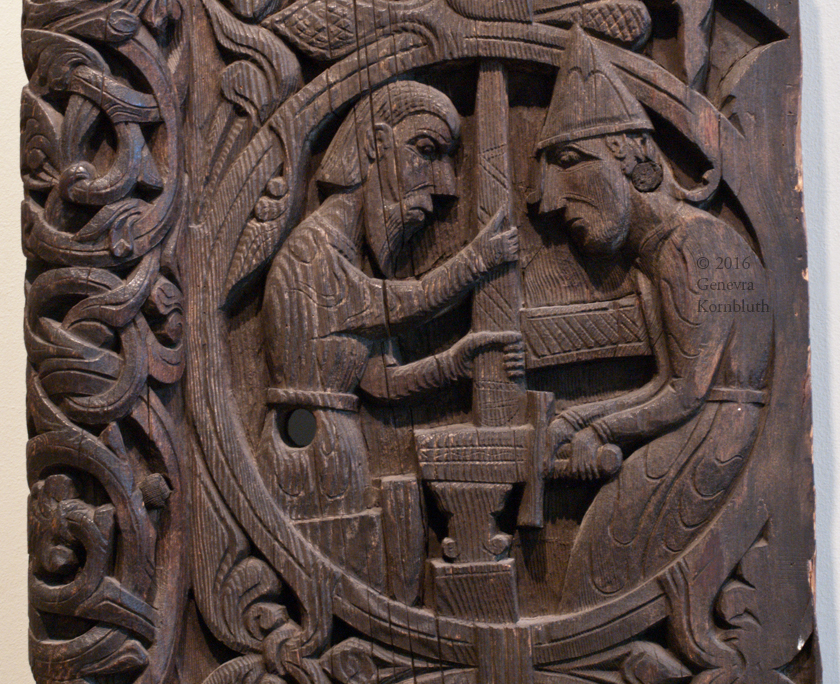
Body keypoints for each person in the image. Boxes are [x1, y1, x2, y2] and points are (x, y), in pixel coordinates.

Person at [532, 26, 773, 610]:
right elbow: (665, 384)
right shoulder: (655, 256)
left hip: (720, 432)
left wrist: (597, 430)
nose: (552, 200)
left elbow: (687, 393)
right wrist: (574, 420)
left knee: (605, 552)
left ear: (627, 152)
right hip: (697, 424)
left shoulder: (696, 243)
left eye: (569, 163)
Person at [258, 80, 522, 588]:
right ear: (376, 142)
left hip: (335, 445)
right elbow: (400, 305)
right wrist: (477, 261)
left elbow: (382, 382)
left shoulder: (351, 260)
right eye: (426, 151)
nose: (445, 185)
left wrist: (455, 362)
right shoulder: (314, 249)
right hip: (304, 450)